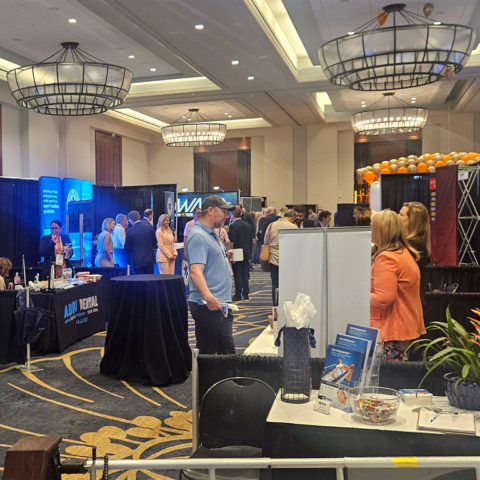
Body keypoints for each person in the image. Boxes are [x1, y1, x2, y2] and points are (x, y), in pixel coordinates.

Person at [370, 209, 425, 361]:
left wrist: (357, 295)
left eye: (372, 227)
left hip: (392, 332)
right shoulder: (403, 254)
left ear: (380, 231)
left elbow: (383, 300)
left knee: (387, 375)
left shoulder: (386, 258)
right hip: (404, 329)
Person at [186, 195, 236, 354]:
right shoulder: (199, 236)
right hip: (207, 304)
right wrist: (209, 298)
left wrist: (225, 256)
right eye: (224, 211)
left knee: (226, 352)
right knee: (208, 354)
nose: (226, 216)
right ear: (210, 211)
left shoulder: (211, 233)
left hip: (220, 302)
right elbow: (195, 272)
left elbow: (207, 261)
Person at [399, 202, 431, 310]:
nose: (397, 218)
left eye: (401, 215)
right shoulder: (415, 242)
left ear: (412, 220)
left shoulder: (414, 243)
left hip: (410, 301)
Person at [264, 209, 297, 305]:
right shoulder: (293, 227)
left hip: (273, 257)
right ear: (292, 218)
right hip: (288, 259)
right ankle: (287, 304)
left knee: (275, 283)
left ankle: (276, 305)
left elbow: (265, 240)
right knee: (287, 283)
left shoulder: (271, 225)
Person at [228, 207, 253, 301]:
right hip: (246, 251)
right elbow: (250, 240)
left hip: (237, 252)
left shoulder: (233, 226)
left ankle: (238, 294)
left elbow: (232, 241)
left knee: (237, 274)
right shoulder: (248, 225)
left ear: (232, 215)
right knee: (245, 273)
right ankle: (246, 293)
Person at [124, 210, 157, 274]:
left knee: (138, 279)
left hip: (137, 261)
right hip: (149, 260)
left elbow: (127, 248)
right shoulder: (149, 227)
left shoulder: (129, 231)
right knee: (150, 279)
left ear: (131, 220)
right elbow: (154, 243)